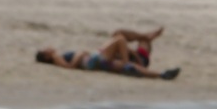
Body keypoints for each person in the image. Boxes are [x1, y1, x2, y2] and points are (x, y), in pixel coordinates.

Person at [36, 30, 180, 79]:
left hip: (94, 61)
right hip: (90, 61)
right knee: (119, 39)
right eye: (45, 50)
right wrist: (80, 55)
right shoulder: (55, 57)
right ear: (46, 56)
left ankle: (161, 75)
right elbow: (69, 67)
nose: (48, 48)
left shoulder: (56, 56)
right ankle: (126, 61)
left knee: (127, 67)